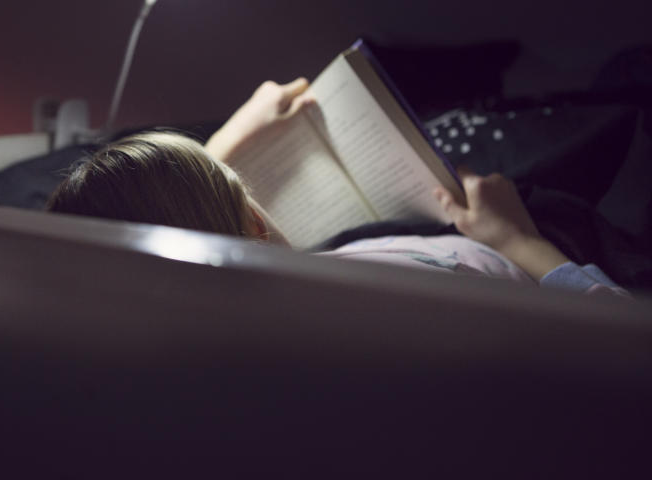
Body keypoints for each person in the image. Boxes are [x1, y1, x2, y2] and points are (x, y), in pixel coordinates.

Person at [48, 79, 628, 297]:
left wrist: (220, 149)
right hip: (529, 246)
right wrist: (518, 239)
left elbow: (134, 234)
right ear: (252, 224)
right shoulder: (408, 303)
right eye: (241, 193)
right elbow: (621, 340)